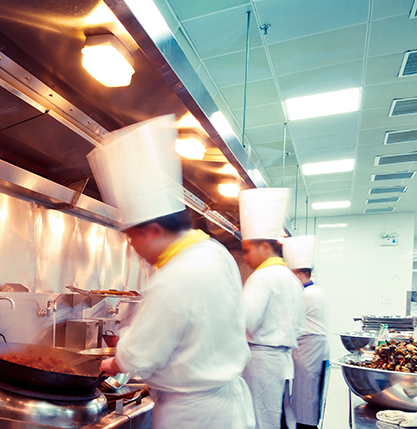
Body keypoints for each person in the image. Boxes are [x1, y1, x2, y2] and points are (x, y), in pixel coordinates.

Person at [89, 115, 254, 429]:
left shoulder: (175, 277)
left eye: (131, 237)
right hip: (226, 405)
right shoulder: (213, 253)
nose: (133, 247)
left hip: (192, 416)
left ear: (152, 230)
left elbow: (138, 357)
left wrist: (113, 362)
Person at [239, 188, 306, 429]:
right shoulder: (289, 278)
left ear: (264, 248)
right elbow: (300, 325)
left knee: (257, 419)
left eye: (247, 250)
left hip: (260, 360)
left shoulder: (263, 277)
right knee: (274, 415)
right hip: (279, 360)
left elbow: (244, 320)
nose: (245, 257)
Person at [283, 235, 328, 429]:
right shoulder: (314, 291)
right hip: (310, 347)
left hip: (309, 347)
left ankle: (306, 426)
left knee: (305, 393)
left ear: (300, 275)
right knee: (305, 392)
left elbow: (290, 321)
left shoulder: (307, 294)